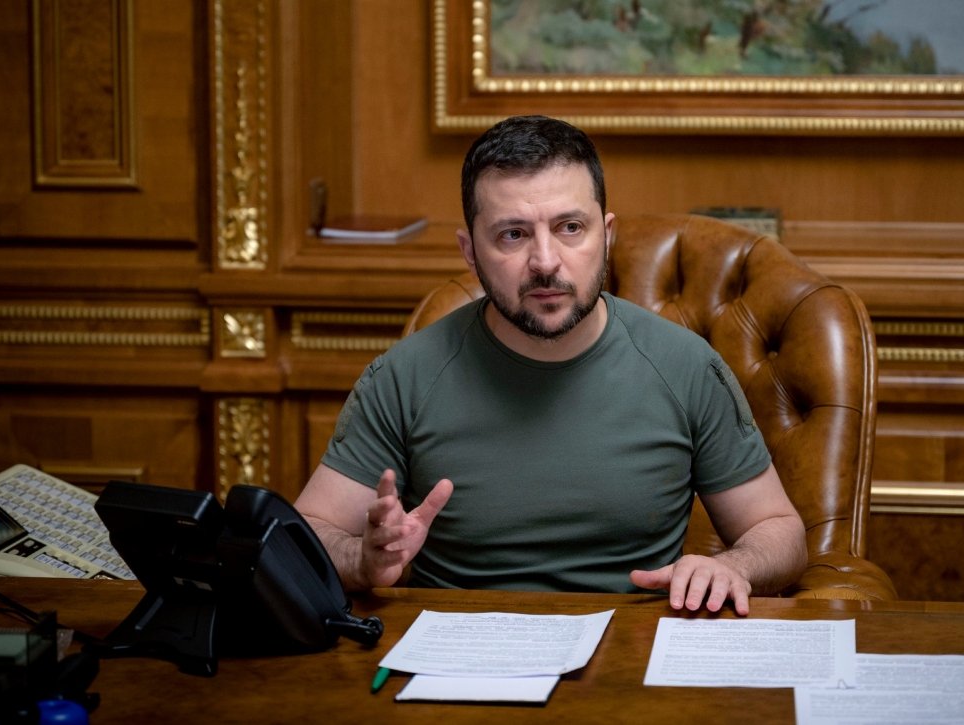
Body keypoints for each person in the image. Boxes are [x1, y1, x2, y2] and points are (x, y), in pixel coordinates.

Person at [294, 115, 806, 616]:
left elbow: (778, 530)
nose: (545, 261)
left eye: (570, 228)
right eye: (513, 235)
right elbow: (308, 531)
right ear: (470, 251)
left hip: (632, 647)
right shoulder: (404, 377)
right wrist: (361, 561)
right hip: (457, 650)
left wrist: (732, 566)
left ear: (606, 235)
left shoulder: (686, 366)